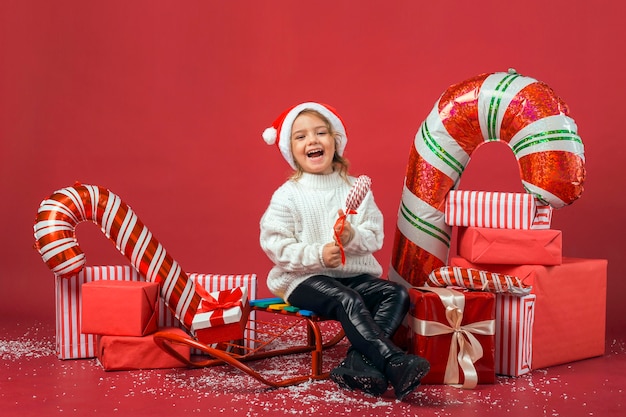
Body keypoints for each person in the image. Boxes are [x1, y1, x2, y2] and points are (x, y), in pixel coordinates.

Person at [259, 102, 430, 400]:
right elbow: (275, 244)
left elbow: (375, 236)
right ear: (290, 148)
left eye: (320, 132)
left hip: (351, 274)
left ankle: (356, 364)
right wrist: (317, 255)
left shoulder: (354, 189)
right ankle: (392, 361)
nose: (312, 140)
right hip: (303, 278)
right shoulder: (288, 195)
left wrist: (352, 236)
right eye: (300, 137)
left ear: (335, 141)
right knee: (346, 298)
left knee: (397, 294)